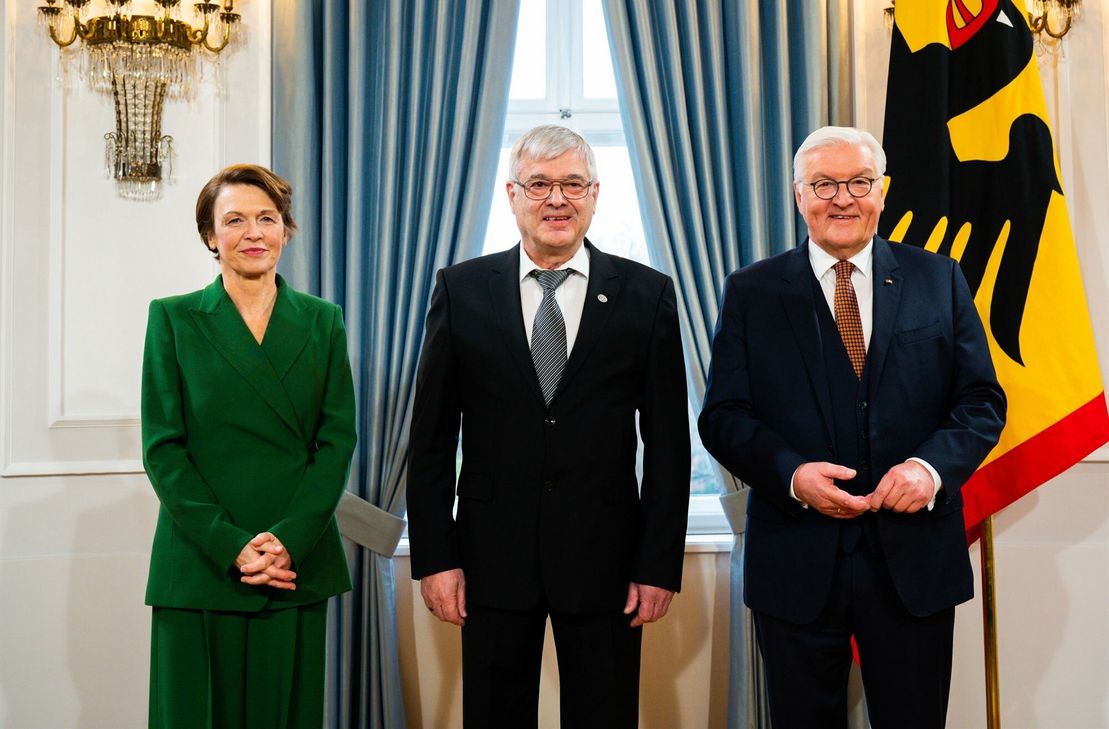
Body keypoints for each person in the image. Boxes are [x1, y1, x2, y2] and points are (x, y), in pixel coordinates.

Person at [698, 126, 1006, 729]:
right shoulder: (752, 292)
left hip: (913, 563)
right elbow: (723, 417)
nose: (842, 198)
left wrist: (928, 470)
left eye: (859, 182)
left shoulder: (938, 280)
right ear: (798, 196)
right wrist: (791, 474)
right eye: (823, 185)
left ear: (882, 192)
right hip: (795, 562)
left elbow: (980, 402)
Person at [406, 124, 691, 729]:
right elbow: (430, 441)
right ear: (512, 194)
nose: (556, 199)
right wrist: (435, 557)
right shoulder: (461, 290)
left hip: (607, 562)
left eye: (572, 184)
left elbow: (669, 447)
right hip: (489, 559)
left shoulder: (647, 295)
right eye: (539, 185)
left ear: (595, 194)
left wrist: (657, 564)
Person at [141, 164, 356, 728]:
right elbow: (163, 449)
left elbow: (336, 441)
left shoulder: (322, 321)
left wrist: (288, 541)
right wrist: (231, 544)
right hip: (200, 562)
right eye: (235, 220)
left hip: (294, 565)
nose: (253, 232)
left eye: (267, 218)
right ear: (211, 236)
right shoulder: (173, 318)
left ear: (286, 229)